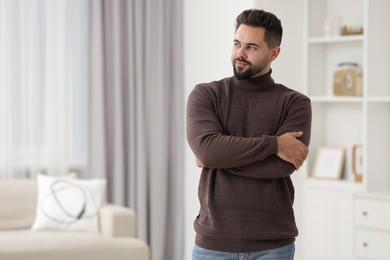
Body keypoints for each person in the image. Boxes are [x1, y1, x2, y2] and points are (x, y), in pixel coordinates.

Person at [186, 9, 312, 260]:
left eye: (252, 47)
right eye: (236, 43)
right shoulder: (206, 95)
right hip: (213, 244)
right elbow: (208, 151)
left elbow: (280, 167)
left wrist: (218, 158)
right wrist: (274, 144)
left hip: (273, 245)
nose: (240, 54)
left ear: (273, 53)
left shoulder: (295, 103)